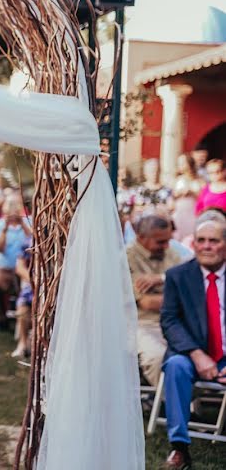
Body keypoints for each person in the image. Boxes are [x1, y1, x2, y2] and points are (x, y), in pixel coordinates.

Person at [159, 217, 226, 470]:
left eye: (214, 241)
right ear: (194, 244)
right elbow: (169, 321)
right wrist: (198, 355)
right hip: (190, 351)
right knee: (175, 366)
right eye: (201, 240)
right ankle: (179, 448)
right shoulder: (178, 276)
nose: (207, 246)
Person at [125, 214, 185, 386]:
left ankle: (188, 404)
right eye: (160, 242)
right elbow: (147, 303)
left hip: (174, 322)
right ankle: (168, 404)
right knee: (158, 357)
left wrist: (161, 278)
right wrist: (179, 296)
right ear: (141, 237)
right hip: (142, 324)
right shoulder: (127, 258)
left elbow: (189, 285)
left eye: (168, 240)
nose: (166, 246)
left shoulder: (171, 253)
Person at [0, 194, 31, 331]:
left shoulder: (29, 223)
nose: (12, 210)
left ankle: (25, 322)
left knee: (27, 289)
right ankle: (2, 318)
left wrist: (22, 224)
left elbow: (34, 241)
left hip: (25, 268)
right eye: (9, 206)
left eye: (15, 206)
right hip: (4, 269)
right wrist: (5, 229)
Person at [172, 154, 204, 240]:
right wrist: (178, 194)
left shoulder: (199, 180)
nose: (180, 165)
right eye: (178, 163)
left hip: (194, 213)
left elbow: (204, 197)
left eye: (182, 162)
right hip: (179, 213)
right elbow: (171, 197)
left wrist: (192, 193)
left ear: (189, 163)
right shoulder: (177, 179)